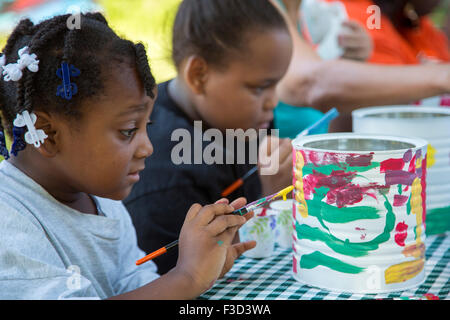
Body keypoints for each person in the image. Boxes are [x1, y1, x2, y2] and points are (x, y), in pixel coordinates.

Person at [0, 12, 255, 299]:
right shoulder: (8, 219)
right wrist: (187, 277)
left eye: (148, 127)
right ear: (47, 133)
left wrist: (202, 271)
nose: (148, 148)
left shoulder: (103, 202)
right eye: (128, 131)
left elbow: (134, 286)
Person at [124, 0, 294, 275]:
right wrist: (269, 200)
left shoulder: (241, 116)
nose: (273, 101)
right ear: (199, 75)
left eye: (277, 83)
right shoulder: (161, 175)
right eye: (260, 87)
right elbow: (182, 279)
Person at [271, 0, 450, 132]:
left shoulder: (314, 13)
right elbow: (310, 84)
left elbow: (333, 130)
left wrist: (351, 63)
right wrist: (441, 76)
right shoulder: (262, 9)